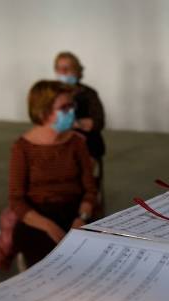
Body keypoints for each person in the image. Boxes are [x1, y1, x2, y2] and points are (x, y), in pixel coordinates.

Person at [9, 80, 98, 267]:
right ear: (43, 111)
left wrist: (82, 218)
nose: (71, 111)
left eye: (71, 105)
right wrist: (49, 226)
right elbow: (17, 200)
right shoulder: (22, 148)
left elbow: (90, 189)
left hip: (74, 213)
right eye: (64, 107)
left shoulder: (77, 143)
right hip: (38, 218)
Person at [54, 51, 106, 215]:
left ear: (77, 70)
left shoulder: (88, 94)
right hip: (61, 143)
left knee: (85, 175)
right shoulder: (52, 93)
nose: (63, 73)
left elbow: (97, 122)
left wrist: (73, 124)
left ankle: (87, 207)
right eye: (60, 69)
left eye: (67, 68)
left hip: (88, 144)